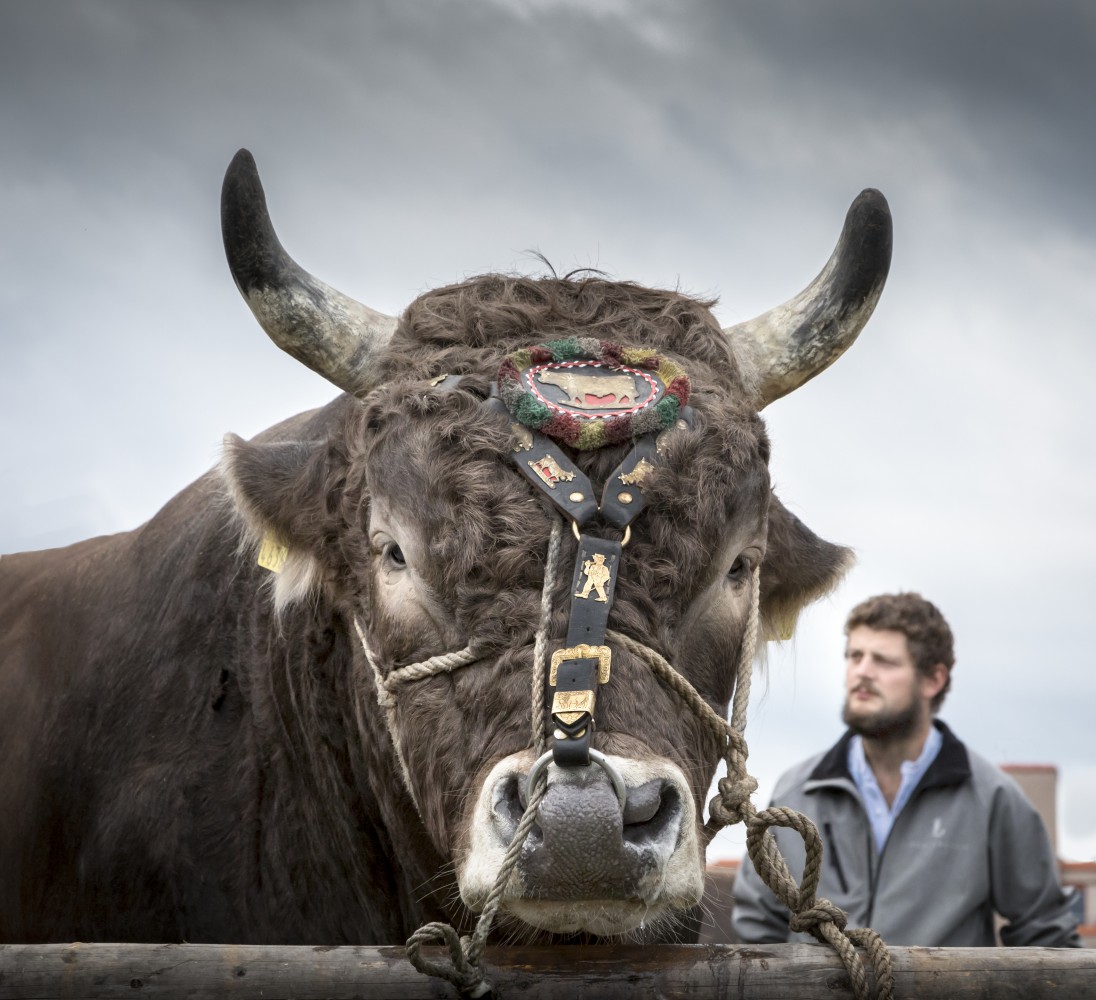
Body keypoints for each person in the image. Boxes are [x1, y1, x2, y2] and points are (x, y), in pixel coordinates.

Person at [732, 592, 1081, 947]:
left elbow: (1046, 935)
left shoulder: (992, 799)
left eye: (884, 661)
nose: (862, 672)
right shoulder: (797, 792)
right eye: (855, 656)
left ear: (933, 680)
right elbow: (757, 925)